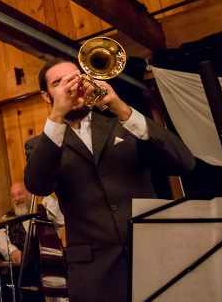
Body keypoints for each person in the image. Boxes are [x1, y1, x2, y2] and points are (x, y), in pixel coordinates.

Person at [24, 59, 195, 302]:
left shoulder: (124, 123)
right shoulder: (39, 145)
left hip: (156, 257)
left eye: (76, 77)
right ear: (46, 95)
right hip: (93, 273)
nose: (72, 86)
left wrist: (121, 108)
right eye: (60, 83)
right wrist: (57, 116)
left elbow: (184, 163)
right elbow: (38, 185)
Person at [0, 182, 64, 264]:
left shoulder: (46, 211)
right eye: (13, 196)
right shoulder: (8, 218)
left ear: (30, 194)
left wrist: (43, 193)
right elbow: (1, 240)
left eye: (20, 194)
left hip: (49, 266)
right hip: (24, 271)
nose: (17, 198)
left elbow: (61, 219)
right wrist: (12, 250)